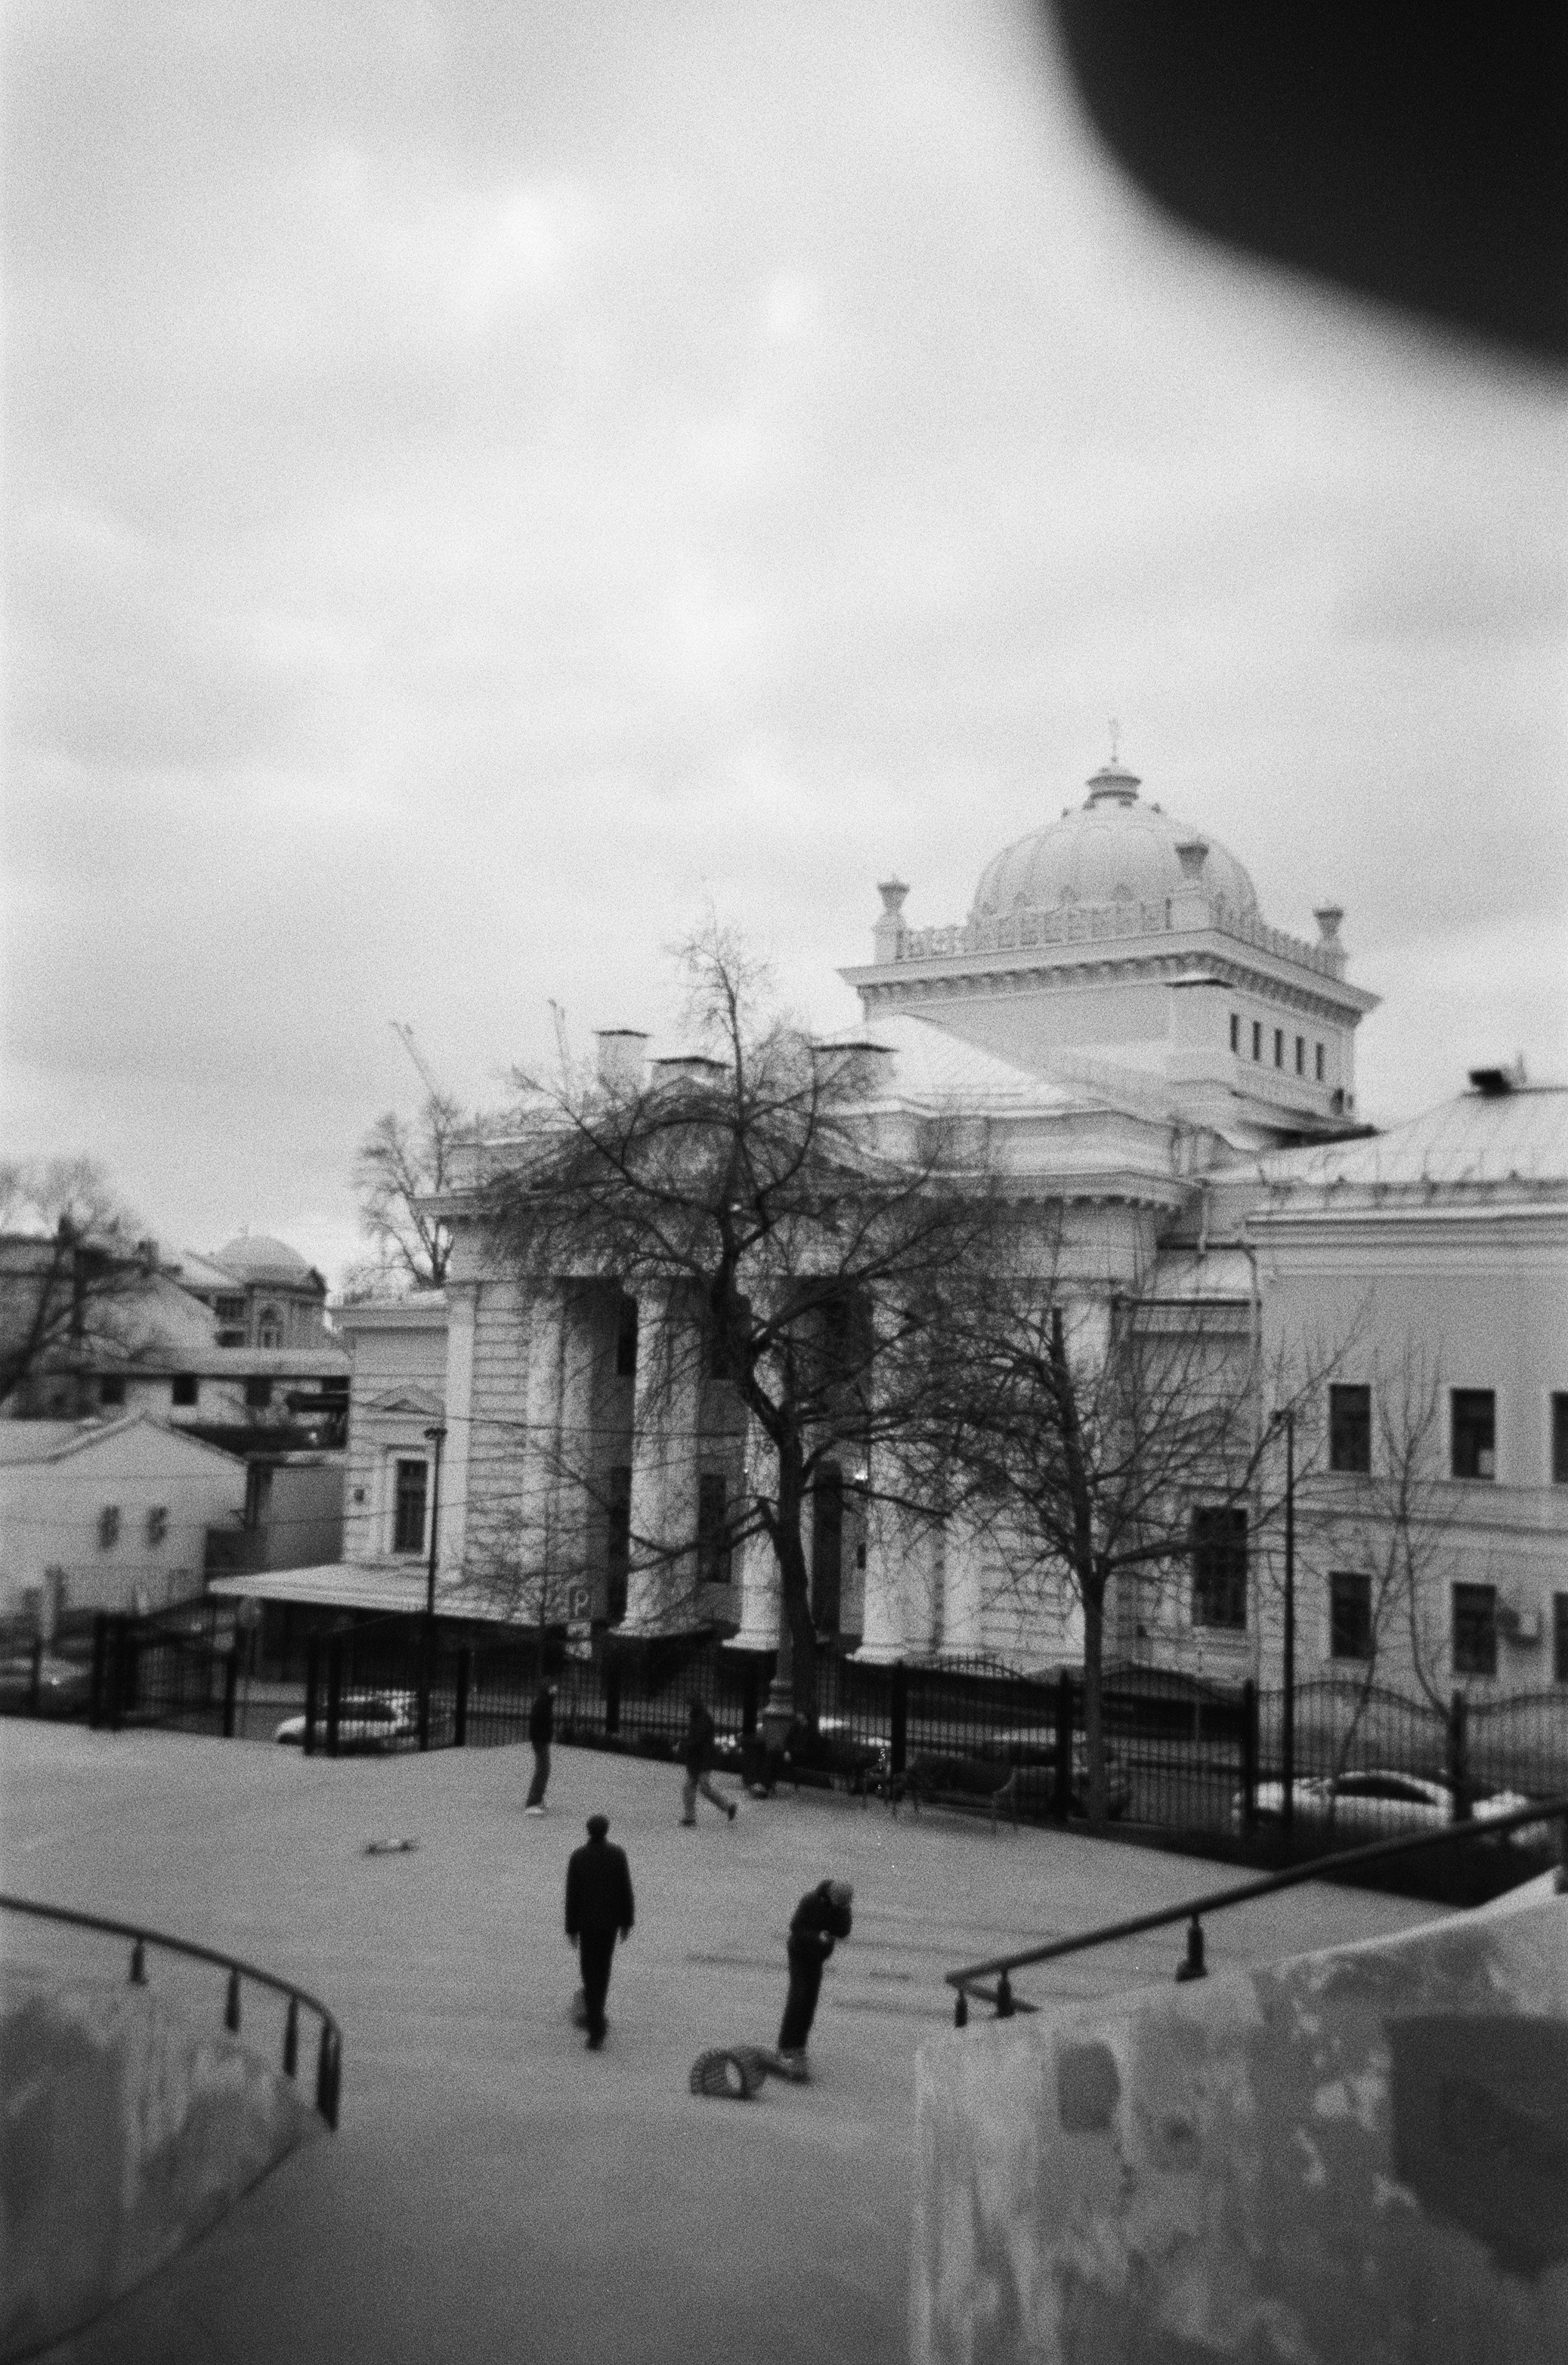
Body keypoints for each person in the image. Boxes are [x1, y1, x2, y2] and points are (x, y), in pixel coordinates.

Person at [564, 1813, 634, 2050]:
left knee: (588, 1971)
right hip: (609, 1926)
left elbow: (572, 1895)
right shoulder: (617, 1855)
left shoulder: (579, 1857)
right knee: (603, 1970)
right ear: (606, 1831)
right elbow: (625, 1889)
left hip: (587, 1926)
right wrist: (626, 1922)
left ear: (588, 1831)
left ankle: (596, 2026)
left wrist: (571, 1928)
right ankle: (598, 2017)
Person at [775, 1878, 853, 2077]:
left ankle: (799, 2046)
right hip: (800, 1953)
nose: (842, 1906)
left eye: (844, 1904)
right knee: (798, 1998)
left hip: (817, 1957)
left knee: (810, 2002)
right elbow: (796, 1928)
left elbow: (844, 1932)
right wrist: (817, 1936)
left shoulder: (842, 1908)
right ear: (830, 1896)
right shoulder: (810, 1901)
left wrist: (841, 1913)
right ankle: (785, 2047)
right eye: (840, 1903)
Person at [682, 1696, 737, 1825]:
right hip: (697, 1759)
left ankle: (728, 1806)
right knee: (690, 1787)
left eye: (688, 1706)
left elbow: (698, 1740)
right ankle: (690, 1818)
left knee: (703, 1787)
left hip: (703, 1759)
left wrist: (685, 1745)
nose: (687, 1709)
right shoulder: (697, 1717)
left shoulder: (703, 1719)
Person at [524, 1680, 556, 1813]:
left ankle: (538, 1798)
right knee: (543, 1770)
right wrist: (541, 1738)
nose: (556, 1690)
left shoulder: (546, 1702)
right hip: (540, 1741)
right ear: (548, 1689)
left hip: (541, 1740)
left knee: (544, 1769)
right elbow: (538, 1723)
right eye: (553, 1687)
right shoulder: (543, 1703)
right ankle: (532, 1802)